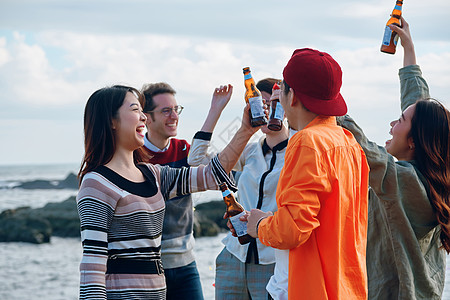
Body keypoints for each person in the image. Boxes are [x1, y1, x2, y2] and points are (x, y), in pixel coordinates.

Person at [76, 84, 260, 299]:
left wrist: (246, 130)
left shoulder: (154, 175)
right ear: (111, 121)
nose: (143, 118)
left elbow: (213, 175)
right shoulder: (96, 183)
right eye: (135, 110)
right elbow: (93, 265)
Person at [337, 17, 450, 299]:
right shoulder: (430, 173)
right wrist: (408, 48)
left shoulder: (409, 182)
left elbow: (369, 153)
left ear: (413, 141)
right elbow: (418, 106)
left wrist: (326, 102)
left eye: (399, 120)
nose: (391, 125)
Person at [246, 48, 370, 299]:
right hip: (344, 285)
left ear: (291, 97)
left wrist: (259, 225)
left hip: (305, 287)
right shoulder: (349, 143)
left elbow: (292, 230)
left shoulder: (306, 141)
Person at [188, 78, 289, 299]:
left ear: (285, 107)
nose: (265, 110)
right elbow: (196, 162)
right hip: (233, 257)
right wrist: (216, 110)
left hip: (273, 262)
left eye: (272, 103)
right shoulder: (249, 150)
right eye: (258, 104)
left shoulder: (298, 150)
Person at [139, 82, 202, 300]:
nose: (174, 116)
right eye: (166, 110)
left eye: (176, 109)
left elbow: (217, 171)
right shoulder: (133, 156)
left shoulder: (185, 149)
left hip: (186, 266)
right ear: (146, 117)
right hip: (148, 270)